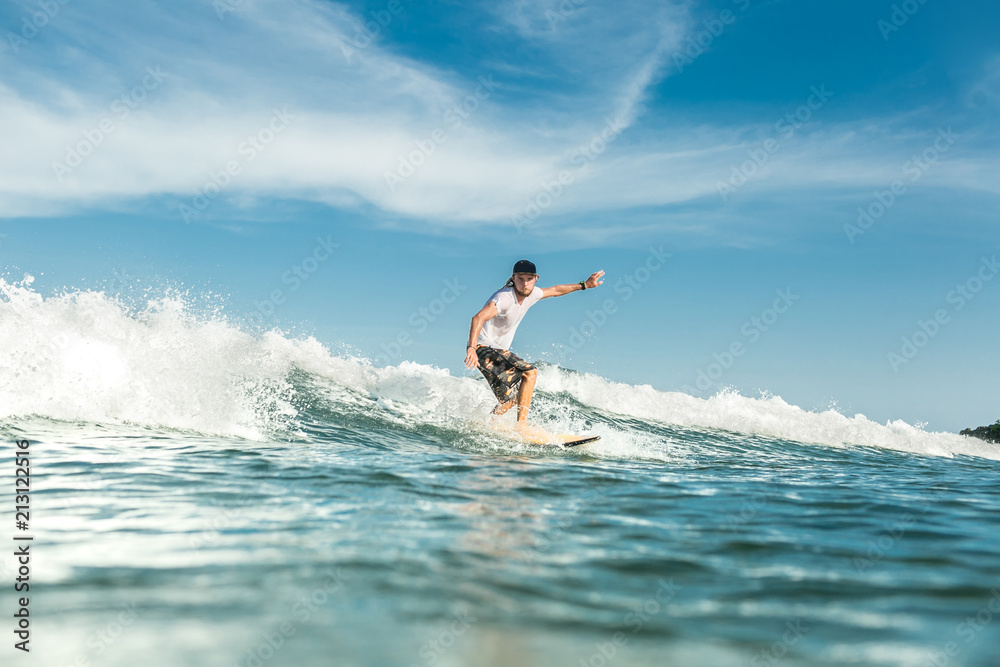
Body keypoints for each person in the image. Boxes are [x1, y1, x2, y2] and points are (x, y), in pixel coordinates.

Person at [464, 259, 604, 429]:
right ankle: (522, 426)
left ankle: (484, 424)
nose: (525, 283)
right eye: (520, 278)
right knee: (530, 373)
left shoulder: (533, 294)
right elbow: (477, 318)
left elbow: (555, 290)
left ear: (536, 278)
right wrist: (471, 348)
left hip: (493, 351)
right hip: (483, 348)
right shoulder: (504, 298)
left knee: (517, 396)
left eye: (529, 279)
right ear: (513, 278)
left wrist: (584, 285)